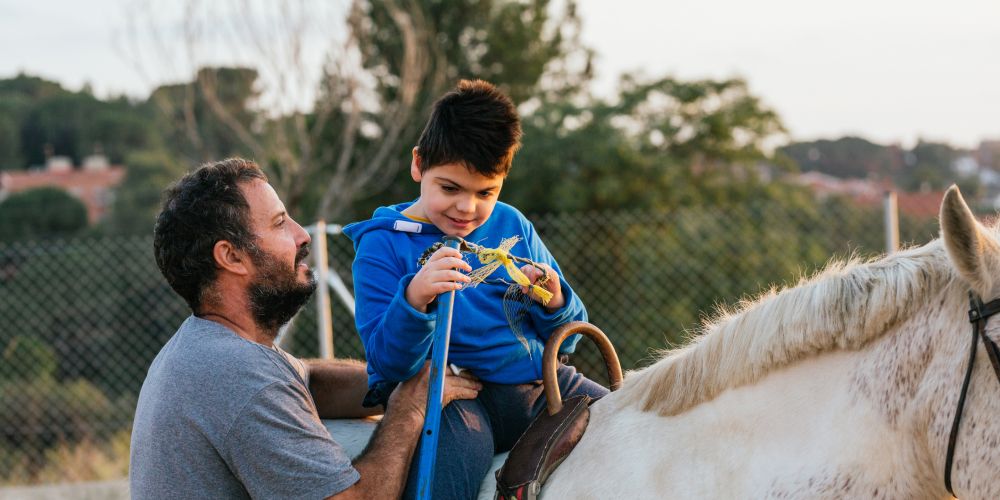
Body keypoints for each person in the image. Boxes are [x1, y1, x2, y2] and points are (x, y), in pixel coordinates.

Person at [130, 158, 481, 499]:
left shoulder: (204, 348)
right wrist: (410, 410)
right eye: (280, 223)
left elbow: (306, 380)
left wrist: (401, 380)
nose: (302, 235)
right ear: (232, 257)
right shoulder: (241, 376)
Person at [343, 80, 609, 500]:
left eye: (485, 192)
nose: (467, 208)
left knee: (632, 417)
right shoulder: (383, 244)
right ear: (418, 165)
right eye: (450, 188)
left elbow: (570, 336)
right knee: (449, 471)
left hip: (542, 385)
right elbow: (387, 365)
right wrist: (415, 299)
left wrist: (555, 299)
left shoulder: (513, 225)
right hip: (458, 402)